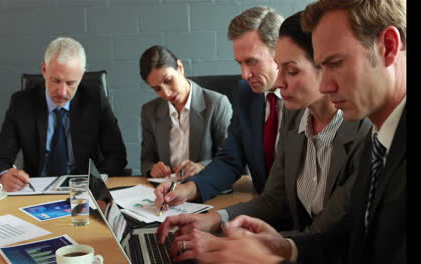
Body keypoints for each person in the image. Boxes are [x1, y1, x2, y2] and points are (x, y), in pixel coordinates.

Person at [194, 0, 407, 263]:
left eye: (336, 63)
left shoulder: (367, 135)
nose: (325, 85)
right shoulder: (380, 137)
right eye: (320, 66)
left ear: (388, 46)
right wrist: (286, 249)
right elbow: (343, 240)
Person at [155, 11, 372, 263]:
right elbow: (275, 196)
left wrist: (241, 247)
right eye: (240, 64)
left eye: (289, 70)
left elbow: (324, 237)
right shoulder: (296, 117)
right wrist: (215, 219)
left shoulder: (363, 133)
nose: (245, 75)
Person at [154, 5, 285, 210]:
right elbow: (230, 161)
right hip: (263, 210)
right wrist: (187, 190)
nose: (244, 74)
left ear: (280, 52)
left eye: (252, 62)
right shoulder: (246, 93)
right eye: (240, 63)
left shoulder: (306, 100)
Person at [0, 37, 128, 192]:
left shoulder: (94, 99)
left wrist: (96, 182)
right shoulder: (21, 103)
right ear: (44, 70)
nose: (62, 92)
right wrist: (4, 175)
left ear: (81, 76)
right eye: (56, 80)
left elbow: (117, 155)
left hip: (85, 190)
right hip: (37, 190)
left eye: (70, 83)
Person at [139, 45, 232, 179]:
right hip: (168, 189)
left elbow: (229, 158)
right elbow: (146, 160)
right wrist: (152, 169)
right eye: (157, 89)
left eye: (168, 81)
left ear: (180, 67)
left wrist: (201, 166)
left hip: (205, 187)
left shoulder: (217, 104)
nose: (166, 93)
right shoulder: (149, 111)